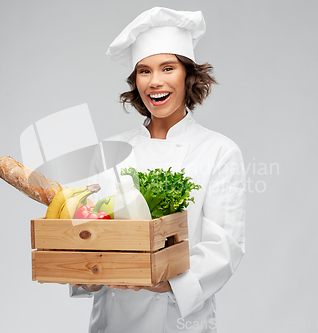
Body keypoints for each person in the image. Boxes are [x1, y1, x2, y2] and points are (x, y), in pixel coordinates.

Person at [69, 7, 246, 333]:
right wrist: (89, 271)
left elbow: (226, 245)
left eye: (168, 68)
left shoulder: (219, 151)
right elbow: (88, 233)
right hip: (114, 320)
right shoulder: (109, 151)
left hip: (178, 320)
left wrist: (168, 281)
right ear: (135, 82)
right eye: (144, 71)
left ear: (188, 75)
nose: (156, 82)